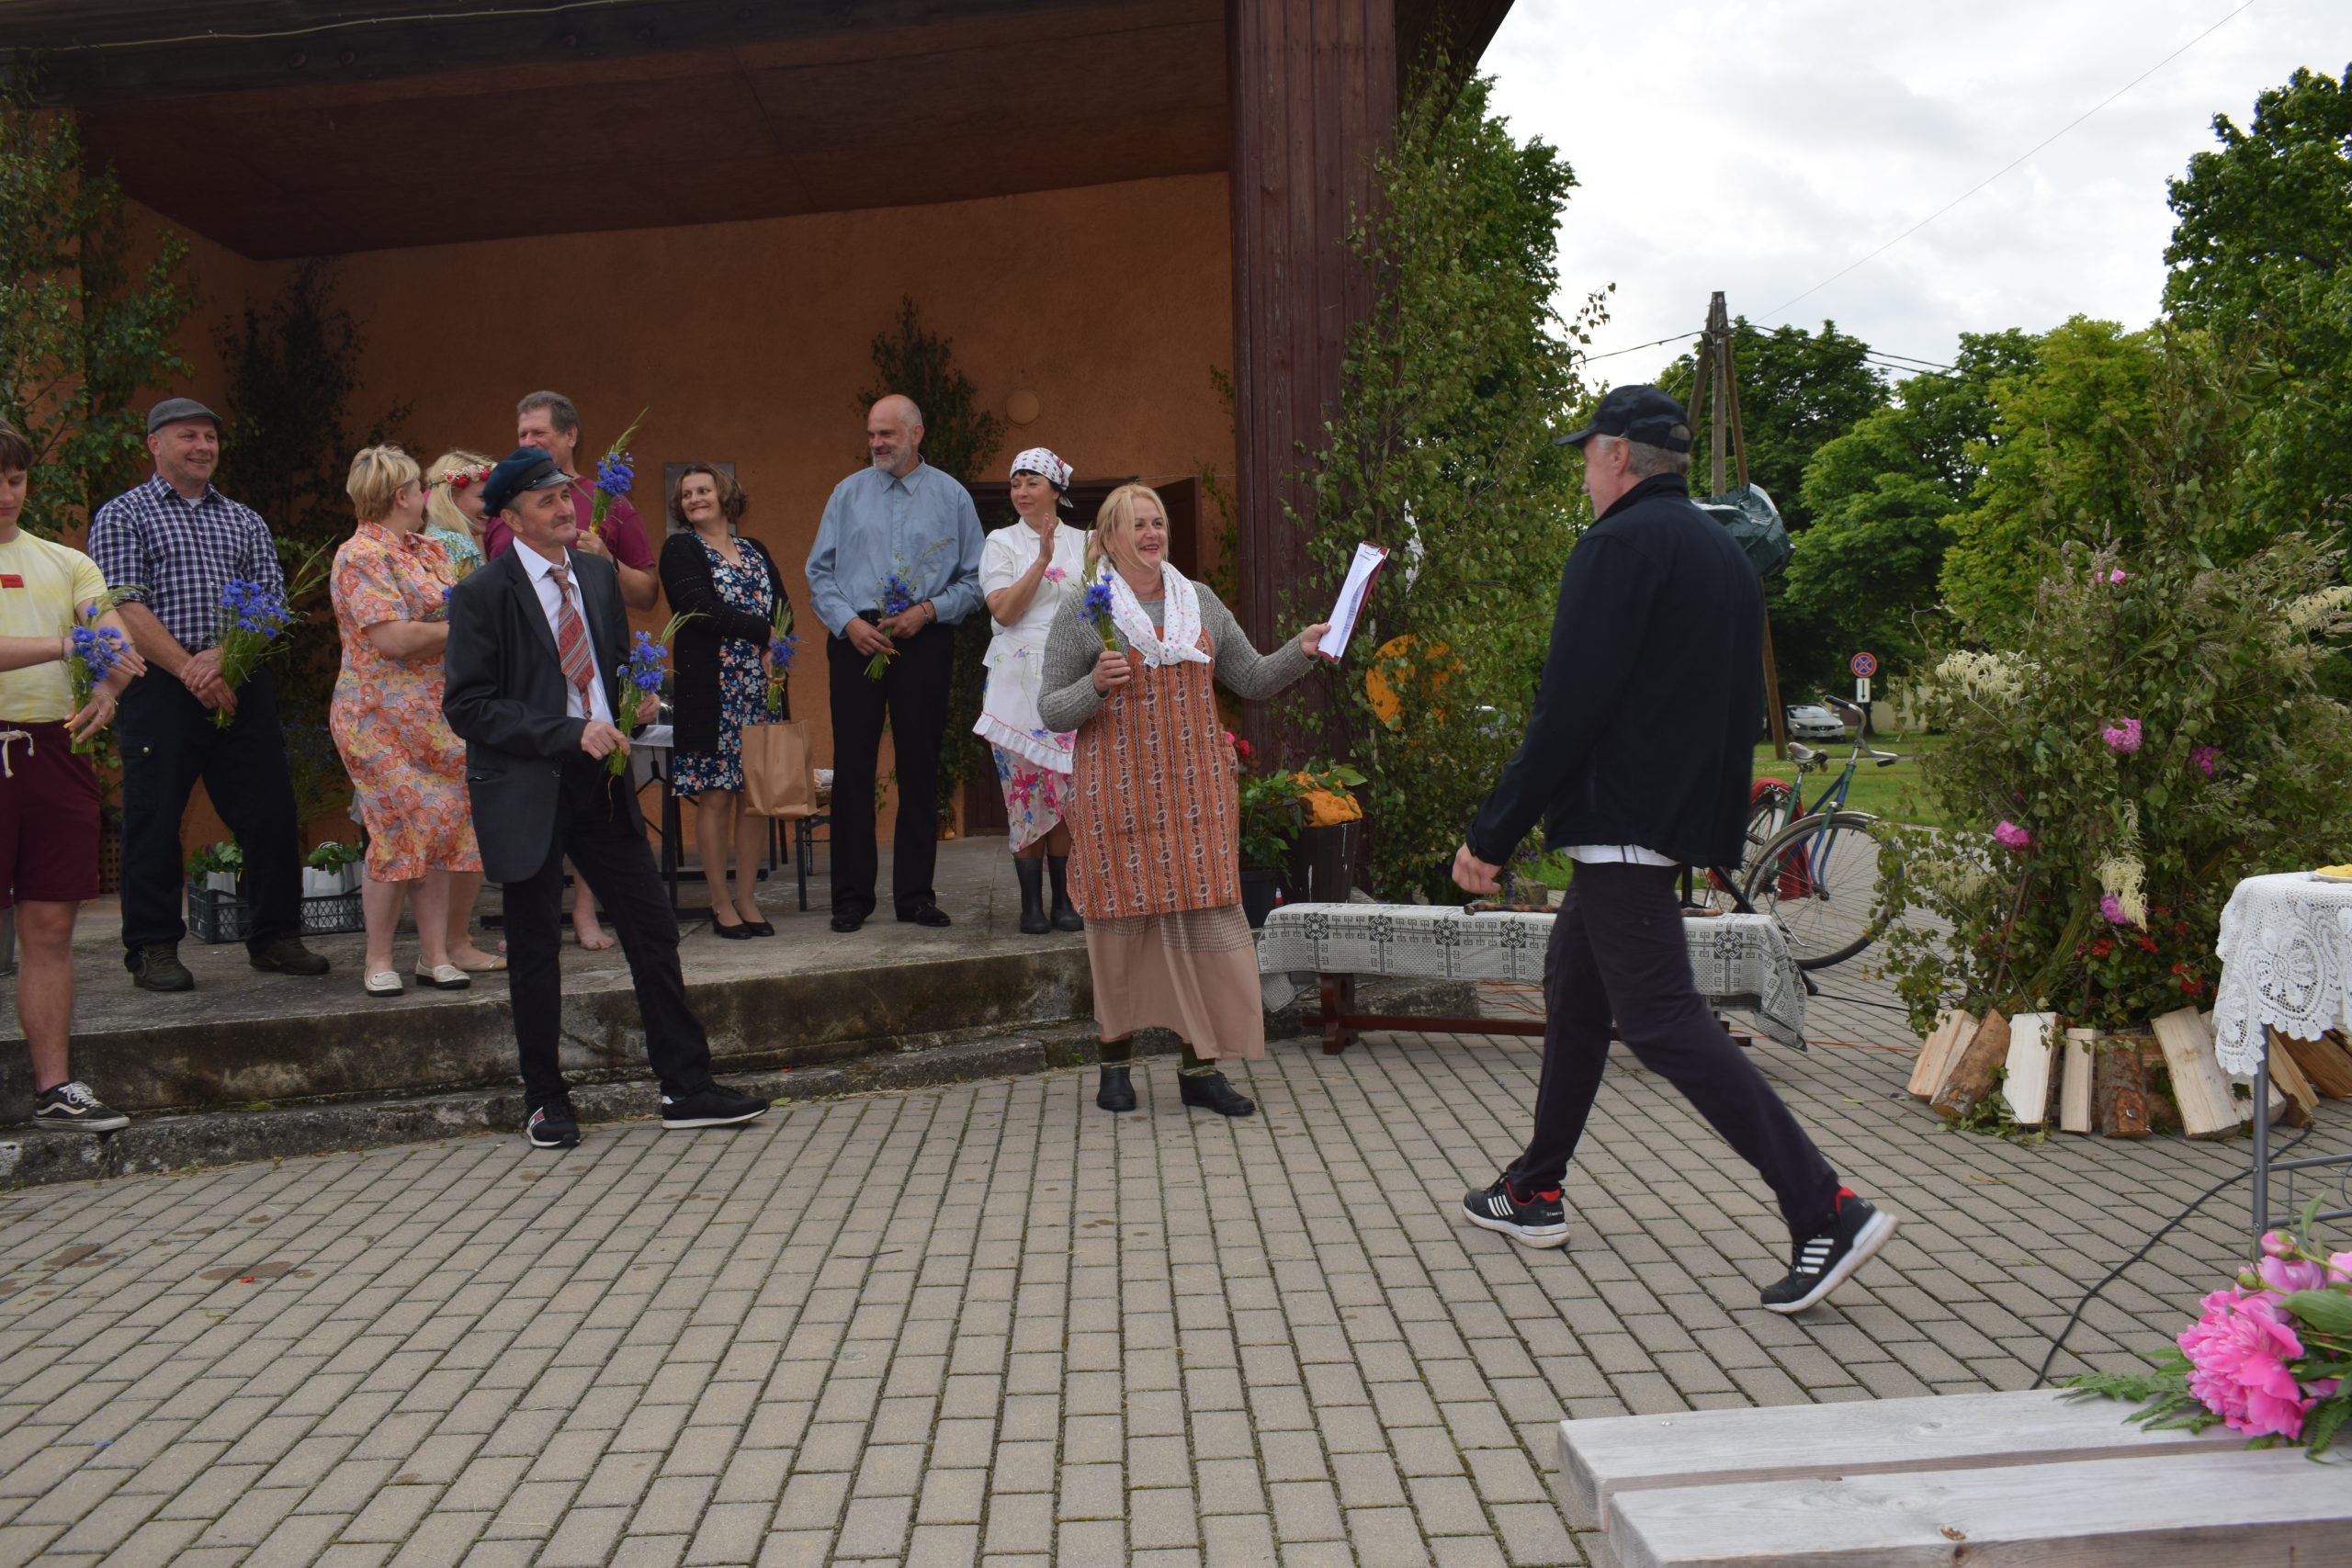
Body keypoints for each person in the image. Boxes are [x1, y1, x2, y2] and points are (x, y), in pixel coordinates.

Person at [1449, 384, 1897, 1315]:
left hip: (1620, 817)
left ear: (1618, 455)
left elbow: (1567, 708)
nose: (1583, 472)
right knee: (1576, 990)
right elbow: (1734, 706)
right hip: (1668, 817)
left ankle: (1825, 1207)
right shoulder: (1722, 552)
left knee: (1659, 1020)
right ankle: (1533, 1187)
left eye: (1588, 454)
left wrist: (1491, 834)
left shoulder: (1615, 547)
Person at [443, 446, 767, 1148]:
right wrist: (567, 730)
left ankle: (686, 1087)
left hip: (603, 782)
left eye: (567, 495)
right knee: (536, 944)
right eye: (547, 501)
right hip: (528, 786)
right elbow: (468, 706)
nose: (566, 508)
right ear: (512, 519)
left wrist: (635, 701)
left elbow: (612, 666)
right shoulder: (482, 594)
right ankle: (545, 1100)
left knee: (652, 926)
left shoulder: (594, 573)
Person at [1037, 483, 1327, 1117]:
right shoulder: (1085, 608)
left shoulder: (1199, 601)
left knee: (1206, 929)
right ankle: (1115, 1067)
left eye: (1159, 522)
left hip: (1197, 801)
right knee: (1121, 933)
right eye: (1138, 524)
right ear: (1109, 538)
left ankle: (1201, 1070)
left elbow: (1251, 676)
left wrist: (1300, 651)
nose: (1153, 534)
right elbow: (1051, 708)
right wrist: (1093, 685)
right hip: (1118, 797)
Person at [87, 397, 332, 992]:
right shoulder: (123, 514)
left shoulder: (244, 519)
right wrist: (188, 668)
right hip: (158, 685)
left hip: (239, 678)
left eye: (210, 437)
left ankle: (275, 938)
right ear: (155, 444)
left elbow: (271, 602)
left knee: (271, 812)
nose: (202, 447)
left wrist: (222, 658)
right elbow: (123, 604)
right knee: (152, 818)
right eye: (188, 436)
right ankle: (152, 948)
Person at [0, 420, 145, 1129]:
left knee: (51, 925)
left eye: (15, 479)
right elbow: (74, 639)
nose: (6, 494)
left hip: (53, 750)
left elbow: (110, 633)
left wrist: (109, 686)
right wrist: (67, 644)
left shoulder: (64, 560)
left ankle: (54, 1088)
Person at [804, 394, 984, 933]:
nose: (877, 443)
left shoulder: (952, 496)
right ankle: (851, 898)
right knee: (853, 769)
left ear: (916, 434)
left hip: (923, 640)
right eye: (872, 435)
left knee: (920, 766)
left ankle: (915, 896)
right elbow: (819, 574)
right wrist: (848, 624)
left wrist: (927, 611)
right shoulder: (846, 493)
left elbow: (976, 580)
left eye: (887, 434)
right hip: (856, 640)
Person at [330, 446, 496, 996]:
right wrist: (470, 630)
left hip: (436, 713)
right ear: (402, 496)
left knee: (443, 826)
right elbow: (394, 639)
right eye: (418, 489)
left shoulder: (429, 549)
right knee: (397, 829)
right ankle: (378, 959)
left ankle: (434, 955)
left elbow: (456, 612)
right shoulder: (358, 556)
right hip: (376, 718)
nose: (426, 497)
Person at [506, 391, 661, 953]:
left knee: (602, 814)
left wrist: (604, 561)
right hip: (530, 699)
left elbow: (647, 592)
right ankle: (537, 922)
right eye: (522, 435)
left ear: (571, 436)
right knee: (537, 822)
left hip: (590, 695)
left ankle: (588, 911)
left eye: (539, 434)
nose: (528, 442)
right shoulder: (508, 504)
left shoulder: (608, 502)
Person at [658, 465, 792, 938]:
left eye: (704, 490)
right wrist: (764, 632)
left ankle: (747, 898)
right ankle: (719, 902)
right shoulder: (680, 549)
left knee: (754, 798)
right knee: (715, 795)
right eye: (687, 494)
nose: (695, 499)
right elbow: (697, 607)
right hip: (711, 691)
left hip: (759, 691)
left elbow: (783, 609)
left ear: (724, 495)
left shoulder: (756, 549)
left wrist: (780, 645)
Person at [976, 446, 1087, 935]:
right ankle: (1030, 906)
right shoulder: (1001, 541)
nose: (1021, 491)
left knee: (1066, 791)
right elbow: (1003, 611)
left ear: (1056, 490)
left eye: (1032, 482)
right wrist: (1041, 559)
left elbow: (1103, 607)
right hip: (1016, 680)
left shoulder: (1087, 542)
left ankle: (1064, 900)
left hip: (1070, 677)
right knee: (1024, 793)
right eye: (1016, 482)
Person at [422, 449, 494, 578]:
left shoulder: (432, 539)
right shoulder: (456, 543)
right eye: (482, 497)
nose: (491, 507)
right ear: (451, 496)